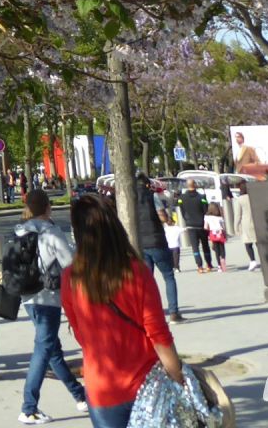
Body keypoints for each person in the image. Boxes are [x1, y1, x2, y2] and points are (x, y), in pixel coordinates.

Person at [60, 193, 183, 428]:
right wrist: (177, 376)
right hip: (146, 386)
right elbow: (158, 334)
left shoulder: (70, 278)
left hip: (102, 389)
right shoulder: (136, 272)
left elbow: (81, 335)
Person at [14, 189, 90, 425]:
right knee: (43, 350)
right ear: (47, 207)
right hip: (49, 298)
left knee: (53, 349)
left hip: (29, 298)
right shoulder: (51, 232)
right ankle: (29, 408)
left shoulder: (19, 231)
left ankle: (80, 396)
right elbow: (70, 264)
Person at [131, 174, 181, 322]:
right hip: (157, 241)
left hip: (140, 244)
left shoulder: (131, 199)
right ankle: (173, 312)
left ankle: (150, 314)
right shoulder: (153, 197)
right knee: (168, 276)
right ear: (147, 185)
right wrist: (169, 220)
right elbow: (162, 217)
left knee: (147, 280)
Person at [177, 181, 212, 273]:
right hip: (201, 224)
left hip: (190, 225)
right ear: (195, 185)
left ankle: (199, 266)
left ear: (187, 186)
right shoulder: (202, 197)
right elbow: (206, 210)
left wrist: (186, 219)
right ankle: (208, 264)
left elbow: (182, 210)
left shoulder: (182, 198)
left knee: (195, 247)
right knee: (205, 245)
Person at [226, 180, 258, 270]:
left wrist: (235, 227)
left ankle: (253, 261)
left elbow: (238, 215)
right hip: (255, 221)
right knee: (258, 242)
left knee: (248, 243)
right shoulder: (254, 197)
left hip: (246, 222)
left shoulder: (240, 200)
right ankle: (263, 260)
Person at [203, 202, 227, 272]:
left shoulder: (207, 217)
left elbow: (205, 227)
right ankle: (223, 259)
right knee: (222, 248)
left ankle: (219, 266)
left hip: (213, 233)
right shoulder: (219, 217)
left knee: (216, 249)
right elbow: (223, 227)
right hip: (220, 232)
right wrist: (225, 234)